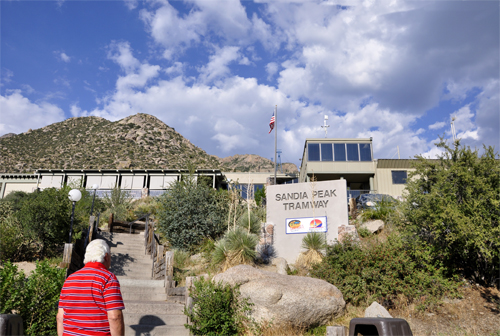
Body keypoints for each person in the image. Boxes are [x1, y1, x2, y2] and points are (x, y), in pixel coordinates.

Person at [57, 239, 125, 336]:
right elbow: (115, 317)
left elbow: (60, 317)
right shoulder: (108, 278)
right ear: (106, 257)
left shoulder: (69, 279)